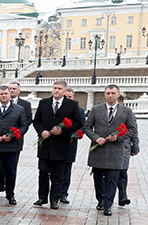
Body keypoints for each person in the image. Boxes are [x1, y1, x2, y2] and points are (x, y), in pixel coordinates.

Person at [83, 84, 138, 215]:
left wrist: (118, 137)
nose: (110, 95)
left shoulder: (126, 111)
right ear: (105, 94)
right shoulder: (96, 109)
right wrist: (96, 138)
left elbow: (132, 129)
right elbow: (87, 127)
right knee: (98, 178)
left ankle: (108, 204)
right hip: (98, 150)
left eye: (113, 93)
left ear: (118, 94)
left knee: (112, 179)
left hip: (116, 151)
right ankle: (100, 200)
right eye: (108, 93)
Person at [32, 80, 82, 209]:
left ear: (65, 91)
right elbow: (36, 121)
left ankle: (54, 199)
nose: (56, 90)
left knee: (57, 175)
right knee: (43, 172)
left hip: (61, 146)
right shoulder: (43, 103)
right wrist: (41, 131)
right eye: (54, 88)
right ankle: (42, 198)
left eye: (59, 88)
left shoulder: (72, 105)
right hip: (45, 145)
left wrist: (63, 130)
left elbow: (77, 123)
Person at [0, 85, 29, 208]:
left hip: (12, 147)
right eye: (1, 94)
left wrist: (14, 136)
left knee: (11, 173)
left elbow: (23, 126)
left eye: (6, 93)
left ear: (10, 94)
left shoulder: (19, 110)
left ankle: (10, 195)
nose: (4, 96)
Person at [59, 88, 85, 204]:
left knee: (66, 170)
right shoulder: (58, 108)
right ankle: (54, 191)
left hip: (70, 144)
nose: (68, 99)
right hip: (57, 143)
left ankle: (63, 193)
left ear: (73, 97)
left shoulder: (79, 110)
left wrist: (74, 135)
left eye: (70, 97)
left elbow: (82, 127)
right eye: (66, 97)